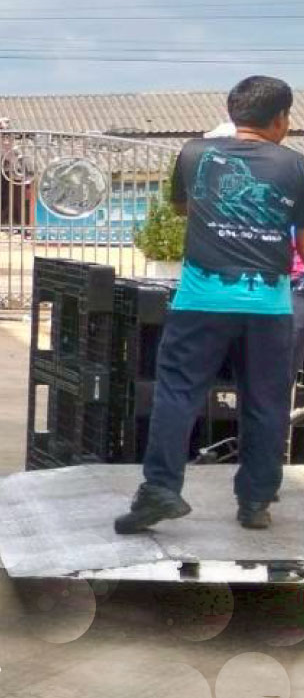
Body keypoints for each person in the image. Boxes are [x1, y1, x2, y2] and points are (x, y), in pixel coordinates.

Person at [116, 75, 304, 535]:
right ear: (281, 120)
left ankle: (161, 488)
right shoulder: (296, 167)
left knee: (178, 392)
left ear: (233, 113)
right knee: (266, 402)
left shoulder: (194, 154)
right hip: (269, 306)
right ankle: (256, 501)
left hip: (201, 300)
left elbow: (184, 209)